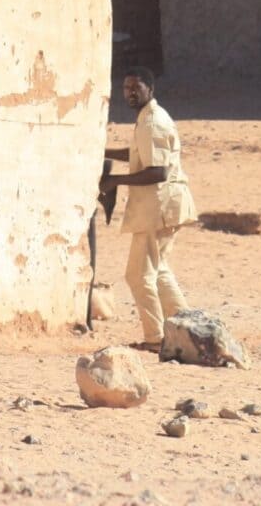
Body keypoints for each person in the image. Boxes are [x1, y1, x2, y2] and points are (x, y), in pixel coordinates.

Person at [100, 67, 197, 351]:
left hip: (160, 207)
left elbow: (158, 172)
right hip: (162, 207)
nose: (130, 93)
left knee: (138, 276)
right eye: (126, 88)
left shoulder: (153, 123)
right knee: (160, 271)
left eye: (136, 88)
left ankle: (155, 339)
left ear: (150, 90)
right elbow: (137, 155)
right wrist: (101, 150)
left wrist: (116, 180)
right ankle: (188, 330)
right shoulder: (146, 120)